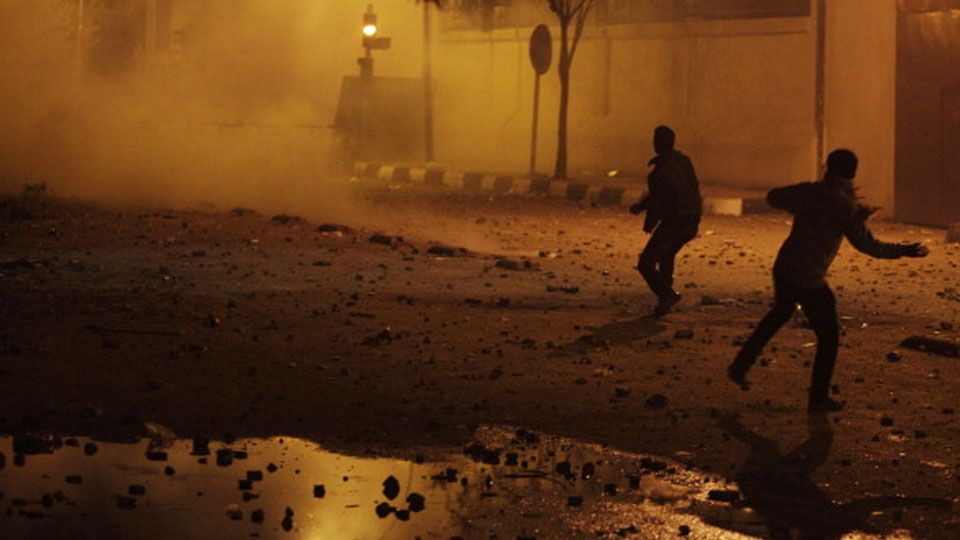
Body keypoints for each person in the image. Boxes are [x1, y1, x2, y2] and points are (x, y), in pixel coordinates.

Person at [727, 149, 929, 412]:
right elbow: (868, 245)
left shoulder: (812, 193)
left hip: (786, 266)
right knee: (828, 335)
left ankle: (740, 366)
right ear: (852, 174)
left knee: (779, 313)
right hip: (808, 276)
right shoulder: (844, 206)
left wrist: (814, 196)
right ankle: (818, 398)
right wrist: (905, 250)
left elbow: (774, 196)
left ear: (827, 168)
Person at [630, 125, 702, 317]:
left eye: (656, 140)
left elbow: (658, 199)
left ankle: (667, 295)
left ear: (658, 144)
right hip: (692, 220)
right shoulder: (685, 162)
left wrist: (648, 220)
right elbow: (692, 190)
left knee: (645, 263)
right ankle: (665, 300)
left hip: (675, 222)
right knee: (667, 255)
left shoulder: (660, 171)